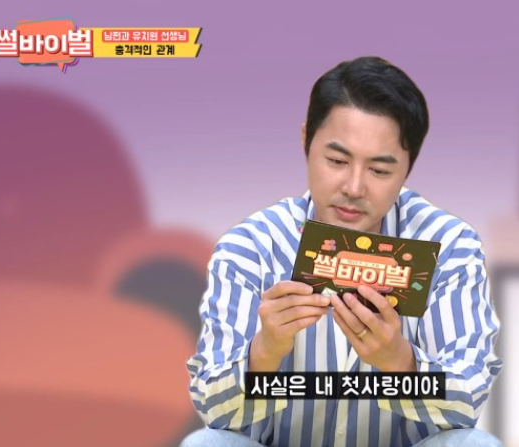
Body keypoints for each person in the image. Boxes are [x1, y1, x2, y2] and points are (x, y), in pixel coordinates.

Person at [182, 56, 502, 447]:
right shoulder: (251, 247)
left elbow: (467, 403)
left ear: (408, 167)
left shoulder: (448, 246)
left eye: (379, 170)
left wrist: (401, 362)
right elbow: (215, 412)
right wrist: (264, 352)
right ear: (306, 141)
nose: (353, 187)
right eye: (336, 160)